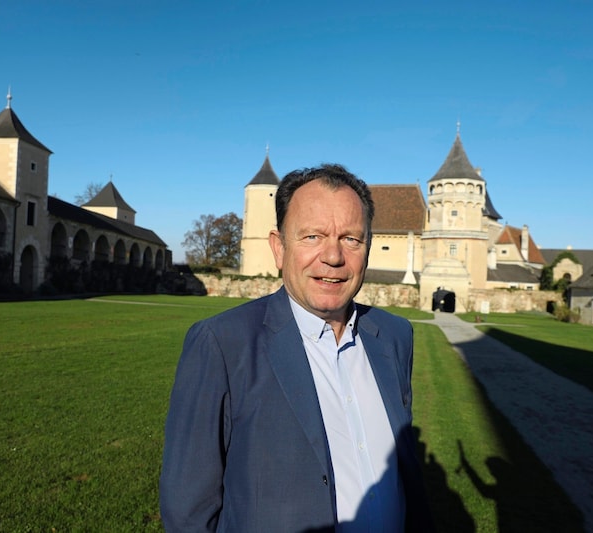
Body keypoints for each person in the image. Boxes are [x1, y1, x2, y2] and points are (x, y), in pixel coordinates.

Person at [159, 164, 434, 532]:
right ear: (278, 247)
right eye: (312, 237)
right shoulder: (222, 345)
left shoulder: (394, 335)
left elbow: (405, 473)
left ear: (368, 247)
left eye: (351, 239)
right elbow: (187, 512)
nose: (333, 257)